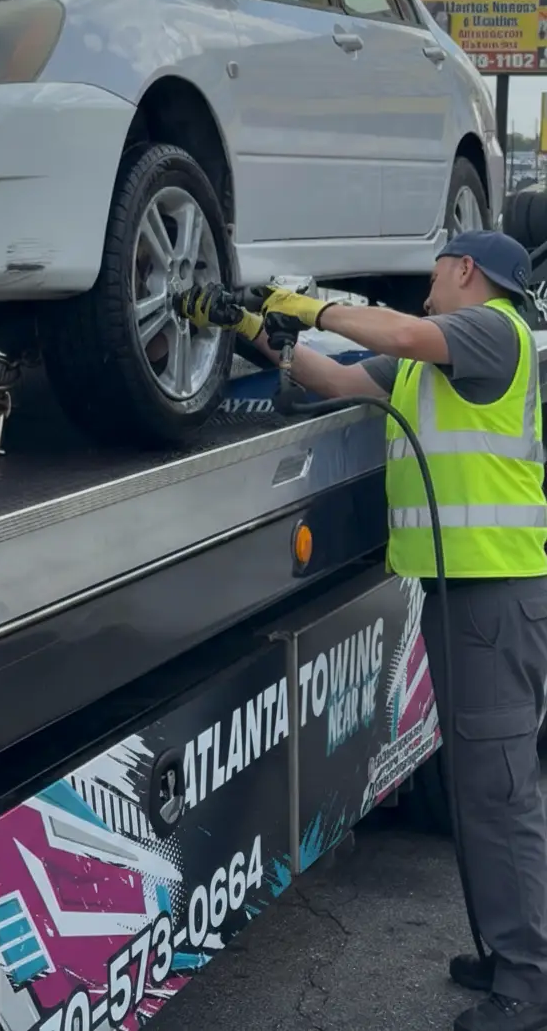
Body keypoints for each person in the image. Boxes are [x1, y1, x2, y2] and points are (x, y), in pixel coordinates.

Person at [180, 230, 547, 1031]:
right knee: (478, 788)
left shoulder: (495, 330)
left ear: (466, 270)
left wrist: (314, 305)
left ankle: (530, 981)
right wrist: (255, 325)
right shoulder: (431, 363)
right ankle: (506, 953)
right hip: (463, 594)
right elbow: (338, 379)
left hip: (494, 596)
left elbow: (403, 332)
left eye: (438, 267)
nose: (427, 281)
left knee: (497, 791)